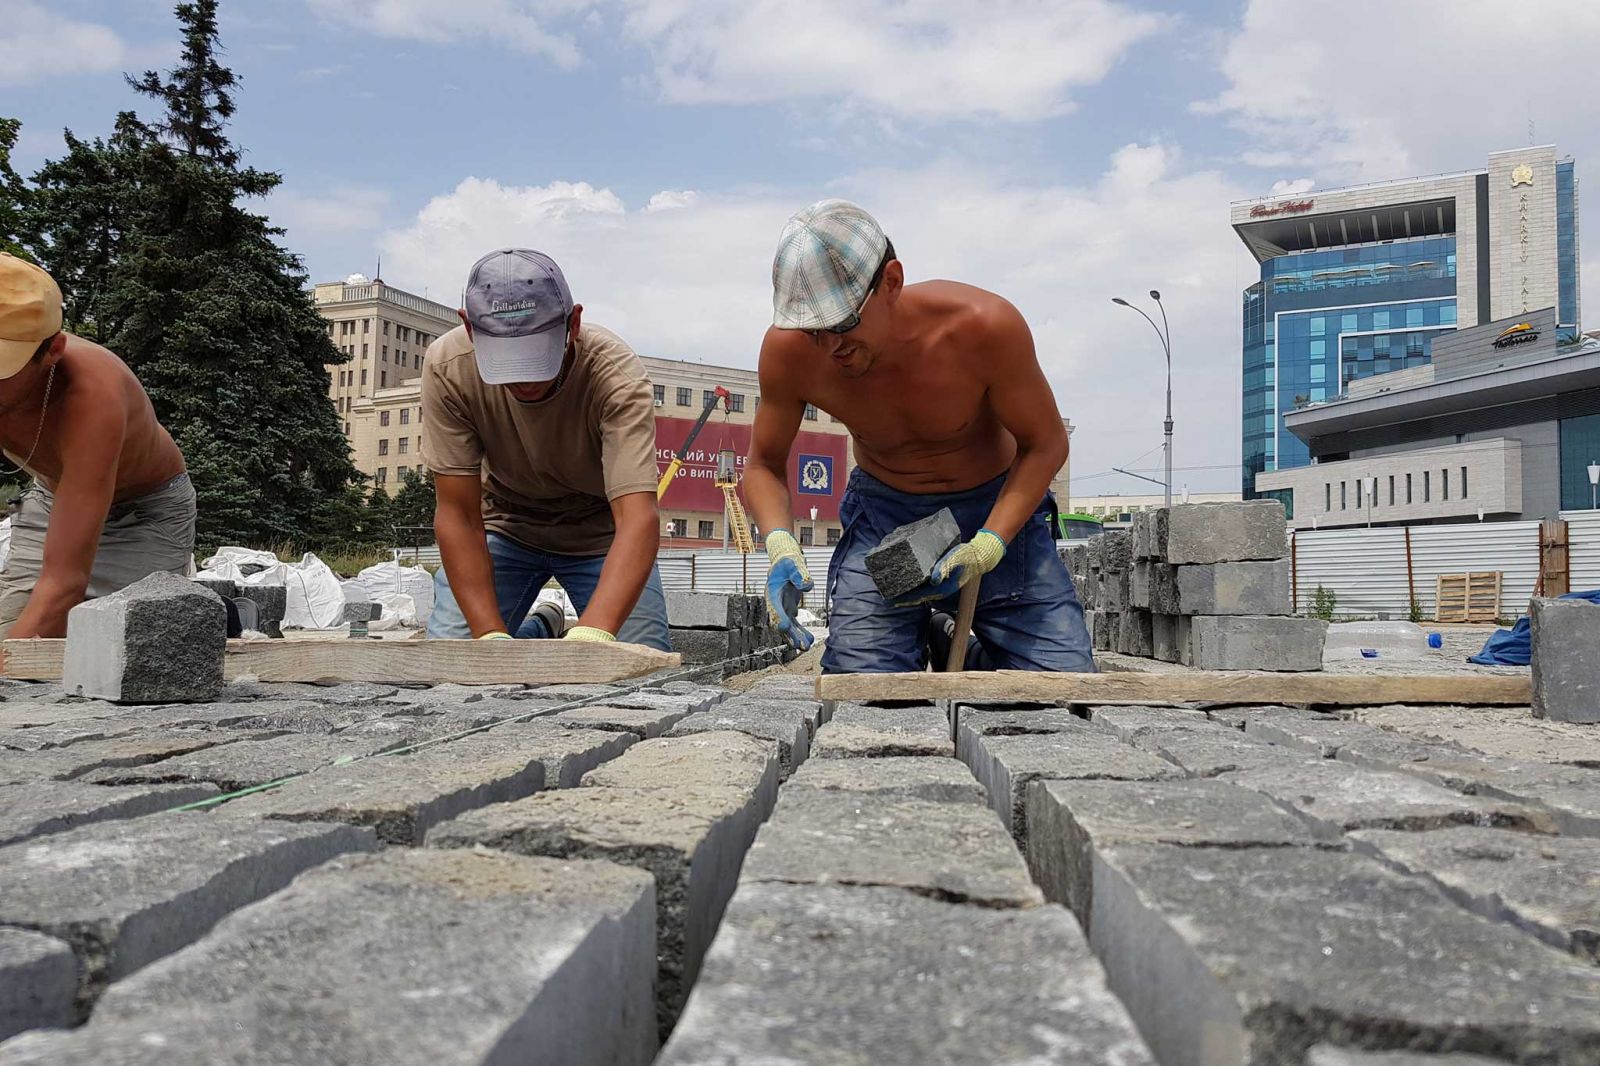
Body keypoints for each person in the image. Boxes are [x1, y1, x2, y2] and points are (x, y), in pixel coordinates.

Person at [742, 200, 1093, 674]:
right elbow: (763, 464)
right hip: (886, 515)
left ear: (891, 282)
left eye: (843, 323)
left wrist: (990, 542)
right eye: (813, 332)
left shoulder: (982, 326)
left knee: (1061, 688)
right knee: (865, 691)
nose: (830, 347)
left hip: (996, 506)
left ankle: (957, 648)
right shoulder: (789, 353)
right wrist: (780, 541)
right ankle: (908, 639)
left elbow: (1047, 443)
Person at [421, 248, 669, 649]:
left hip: (601, 535)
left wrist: (594, 635)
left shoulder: (615, 376)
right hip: (505, 525)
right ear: (469, 328)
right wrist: (489, 637)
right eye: (506, 359)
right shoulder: (448, 368)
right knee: (454, 658)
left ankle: (550, 633)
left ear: (573, 323)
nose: (524, 379)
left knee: (636, 666)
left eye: (537, 356)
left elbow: (639, 517)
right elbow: (458, 514)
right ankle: (534, 633)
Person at [0, 254, 194, 640]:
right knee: (11, 632)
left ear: (52, 350)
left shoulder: (92, 397)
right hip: (53, 497)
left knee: (118, 650)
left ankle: (212, 616)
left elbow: (62, 585)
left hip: (144, 512)